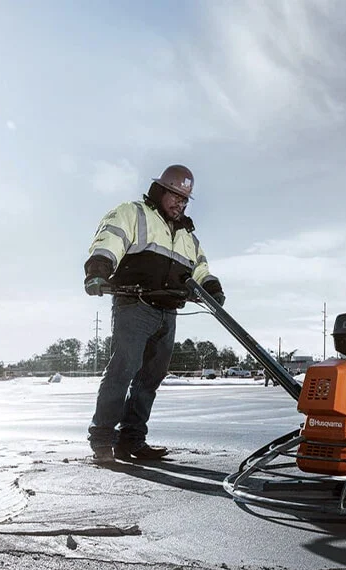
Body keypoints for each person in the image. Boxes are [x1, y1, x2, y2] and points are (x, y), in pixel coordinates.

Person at [83, 164, 225, 463]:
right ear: (161, 190)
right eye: (175, 195)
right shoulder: (133, 213)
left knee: (151, 378)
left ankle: (132, 440)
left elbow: (200, 267)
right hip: (135, 304)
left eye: (185, 199)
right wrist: (98, 271)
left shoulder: (187, 235)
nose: (180, 203)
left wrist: (211, 287)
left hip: (168, 311)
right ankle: (103, 440)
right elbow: (110, 240)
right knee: (124, 369)